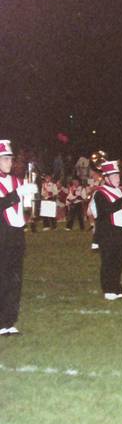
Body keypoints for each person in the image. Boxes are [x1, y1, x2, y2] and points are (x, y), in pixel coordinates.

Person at [0, 140, 38, 336]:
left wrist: (33, 195)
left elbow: (27, 204)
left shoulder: (17, 180)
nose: (9, 162)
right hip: (1, 234)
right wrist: (17, 195)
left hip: (16, 234)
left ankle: (9, 320)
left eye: (10, 159)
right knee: (2, 278)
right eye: (5, 159)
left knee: (15, 279)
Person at [89, 160, 122, 301]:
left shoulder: (118, 191)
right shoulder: (100, 193)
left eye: (118, 176)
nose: (117, 179)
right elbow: (106, 211)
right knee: (109, 262)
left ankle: (116, 287)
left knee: (119, 261)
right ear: (106, 178)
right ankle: (108, 289)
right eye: (114, 176)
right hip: (108, 232)